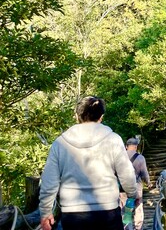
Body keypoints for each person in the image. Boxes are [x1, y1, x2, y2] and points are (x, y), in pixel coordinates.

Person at [39, 96, 137, 230]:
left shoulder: (60, 143)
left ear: (76, 116)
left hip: (72, 215)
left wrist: (45, 211)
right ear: (101, 117)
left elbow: (49, 182)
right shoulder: (113, 139)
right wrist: (132, 194)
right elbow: (127, 174)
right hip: (107, 211)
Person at [120, 137, 152, 230]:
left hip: (123, 188)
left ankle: (127, 227)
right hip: (137, 188)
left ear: (126, 146)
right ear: (136, 147)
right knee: (138, 207)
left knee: (126, 209)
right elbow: (144, 174)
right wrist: (148, 183)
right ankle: (138, 227)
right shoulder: (140, 158)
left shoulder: (120, 157)